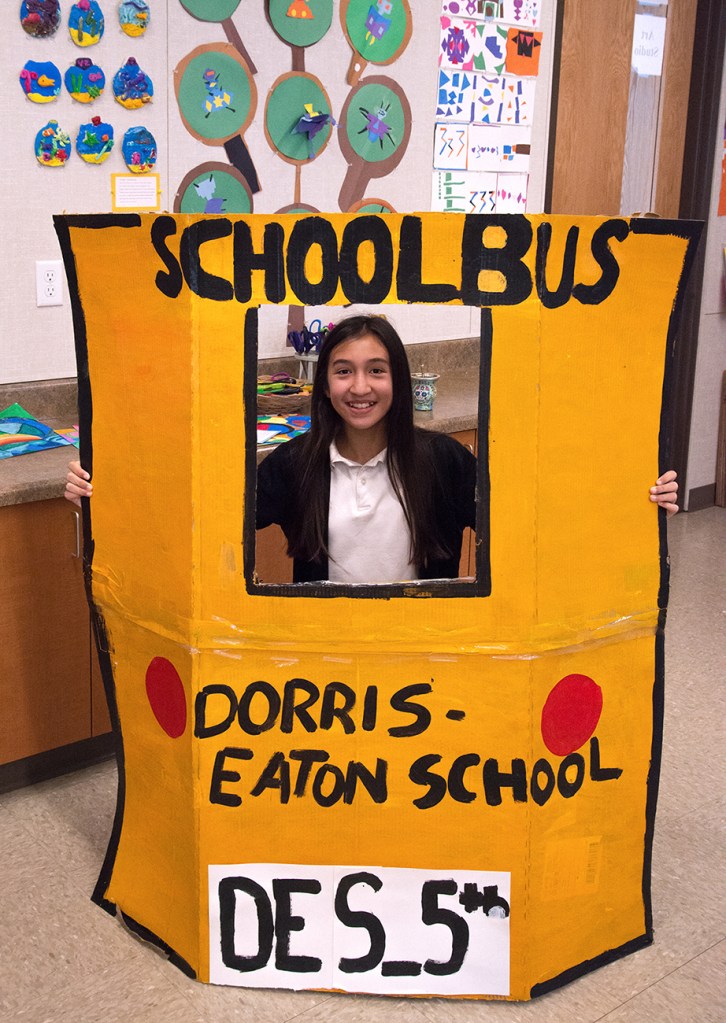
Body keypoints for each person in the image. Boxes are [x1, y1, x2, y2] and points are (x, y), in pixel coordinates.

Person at [65, 314, 680, 583]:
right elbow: (198, 521)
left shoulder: (442, 463)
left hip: (419, 654)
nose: (360, 388)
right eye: (343, 372)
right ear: (323, 384)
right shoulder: (294, 465)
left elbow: (533, 519)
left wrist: (632, 497)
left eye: (377, 371)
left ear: (399, 380)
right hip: (323, 656)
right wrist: (104, 496)